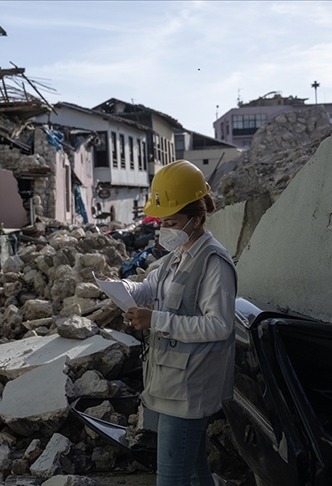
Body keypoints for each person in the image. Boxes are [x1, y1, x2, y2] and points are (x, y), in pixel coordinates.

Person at [121, 160, 237, 486]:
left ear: (196, 219)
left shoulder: (214, 262)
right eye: (162, 222)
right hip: (171, 382)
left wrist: (155, 320)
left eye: (171, 222)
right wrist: (122, 290)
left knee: (171, 479)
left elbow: (219, 325)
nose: (164, 230)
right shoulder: (177, 255)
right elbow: (149, 287)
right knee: (197, 469)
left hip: (190, 390)